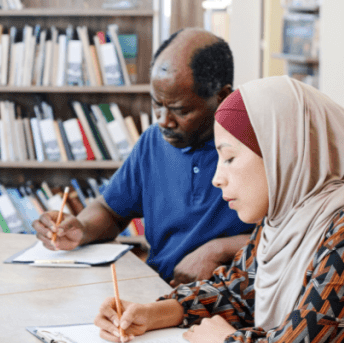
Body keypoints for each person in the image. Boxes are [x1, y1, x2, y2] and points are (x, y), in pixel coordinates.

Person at [95, 76, 344, 343]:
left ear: (281, 152)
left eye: (229, 158)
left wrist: (224, 341)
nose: (217, 178)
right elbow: (236, 291)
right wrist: (152, 313)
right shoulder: (286, 219)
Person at [33, 28, 253, 285]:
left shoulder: (257, 146)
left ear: (223, 97)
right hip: (158, 289)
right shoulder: (153, 141)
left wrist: (219, 250)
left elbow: (295, 234)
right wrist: (80, 229)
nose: (163, 120)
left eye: (180, 110)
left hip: (230, 295)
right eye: (157, 104)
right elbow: (110, 210)